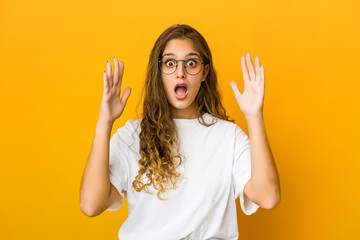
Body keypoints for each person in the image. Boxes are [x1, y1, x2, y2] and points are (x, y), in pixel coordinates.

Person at [80, 24, 280, 240]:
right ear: (159, 72)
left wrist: (254, 117)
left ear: (205, 72)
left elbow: (267, 197)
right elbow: (91, 204)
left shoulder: (228, 136)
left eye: (191, 63)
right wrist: (104, 122)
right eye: (170, 63)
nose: (180, 73)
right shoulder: (132, 135)